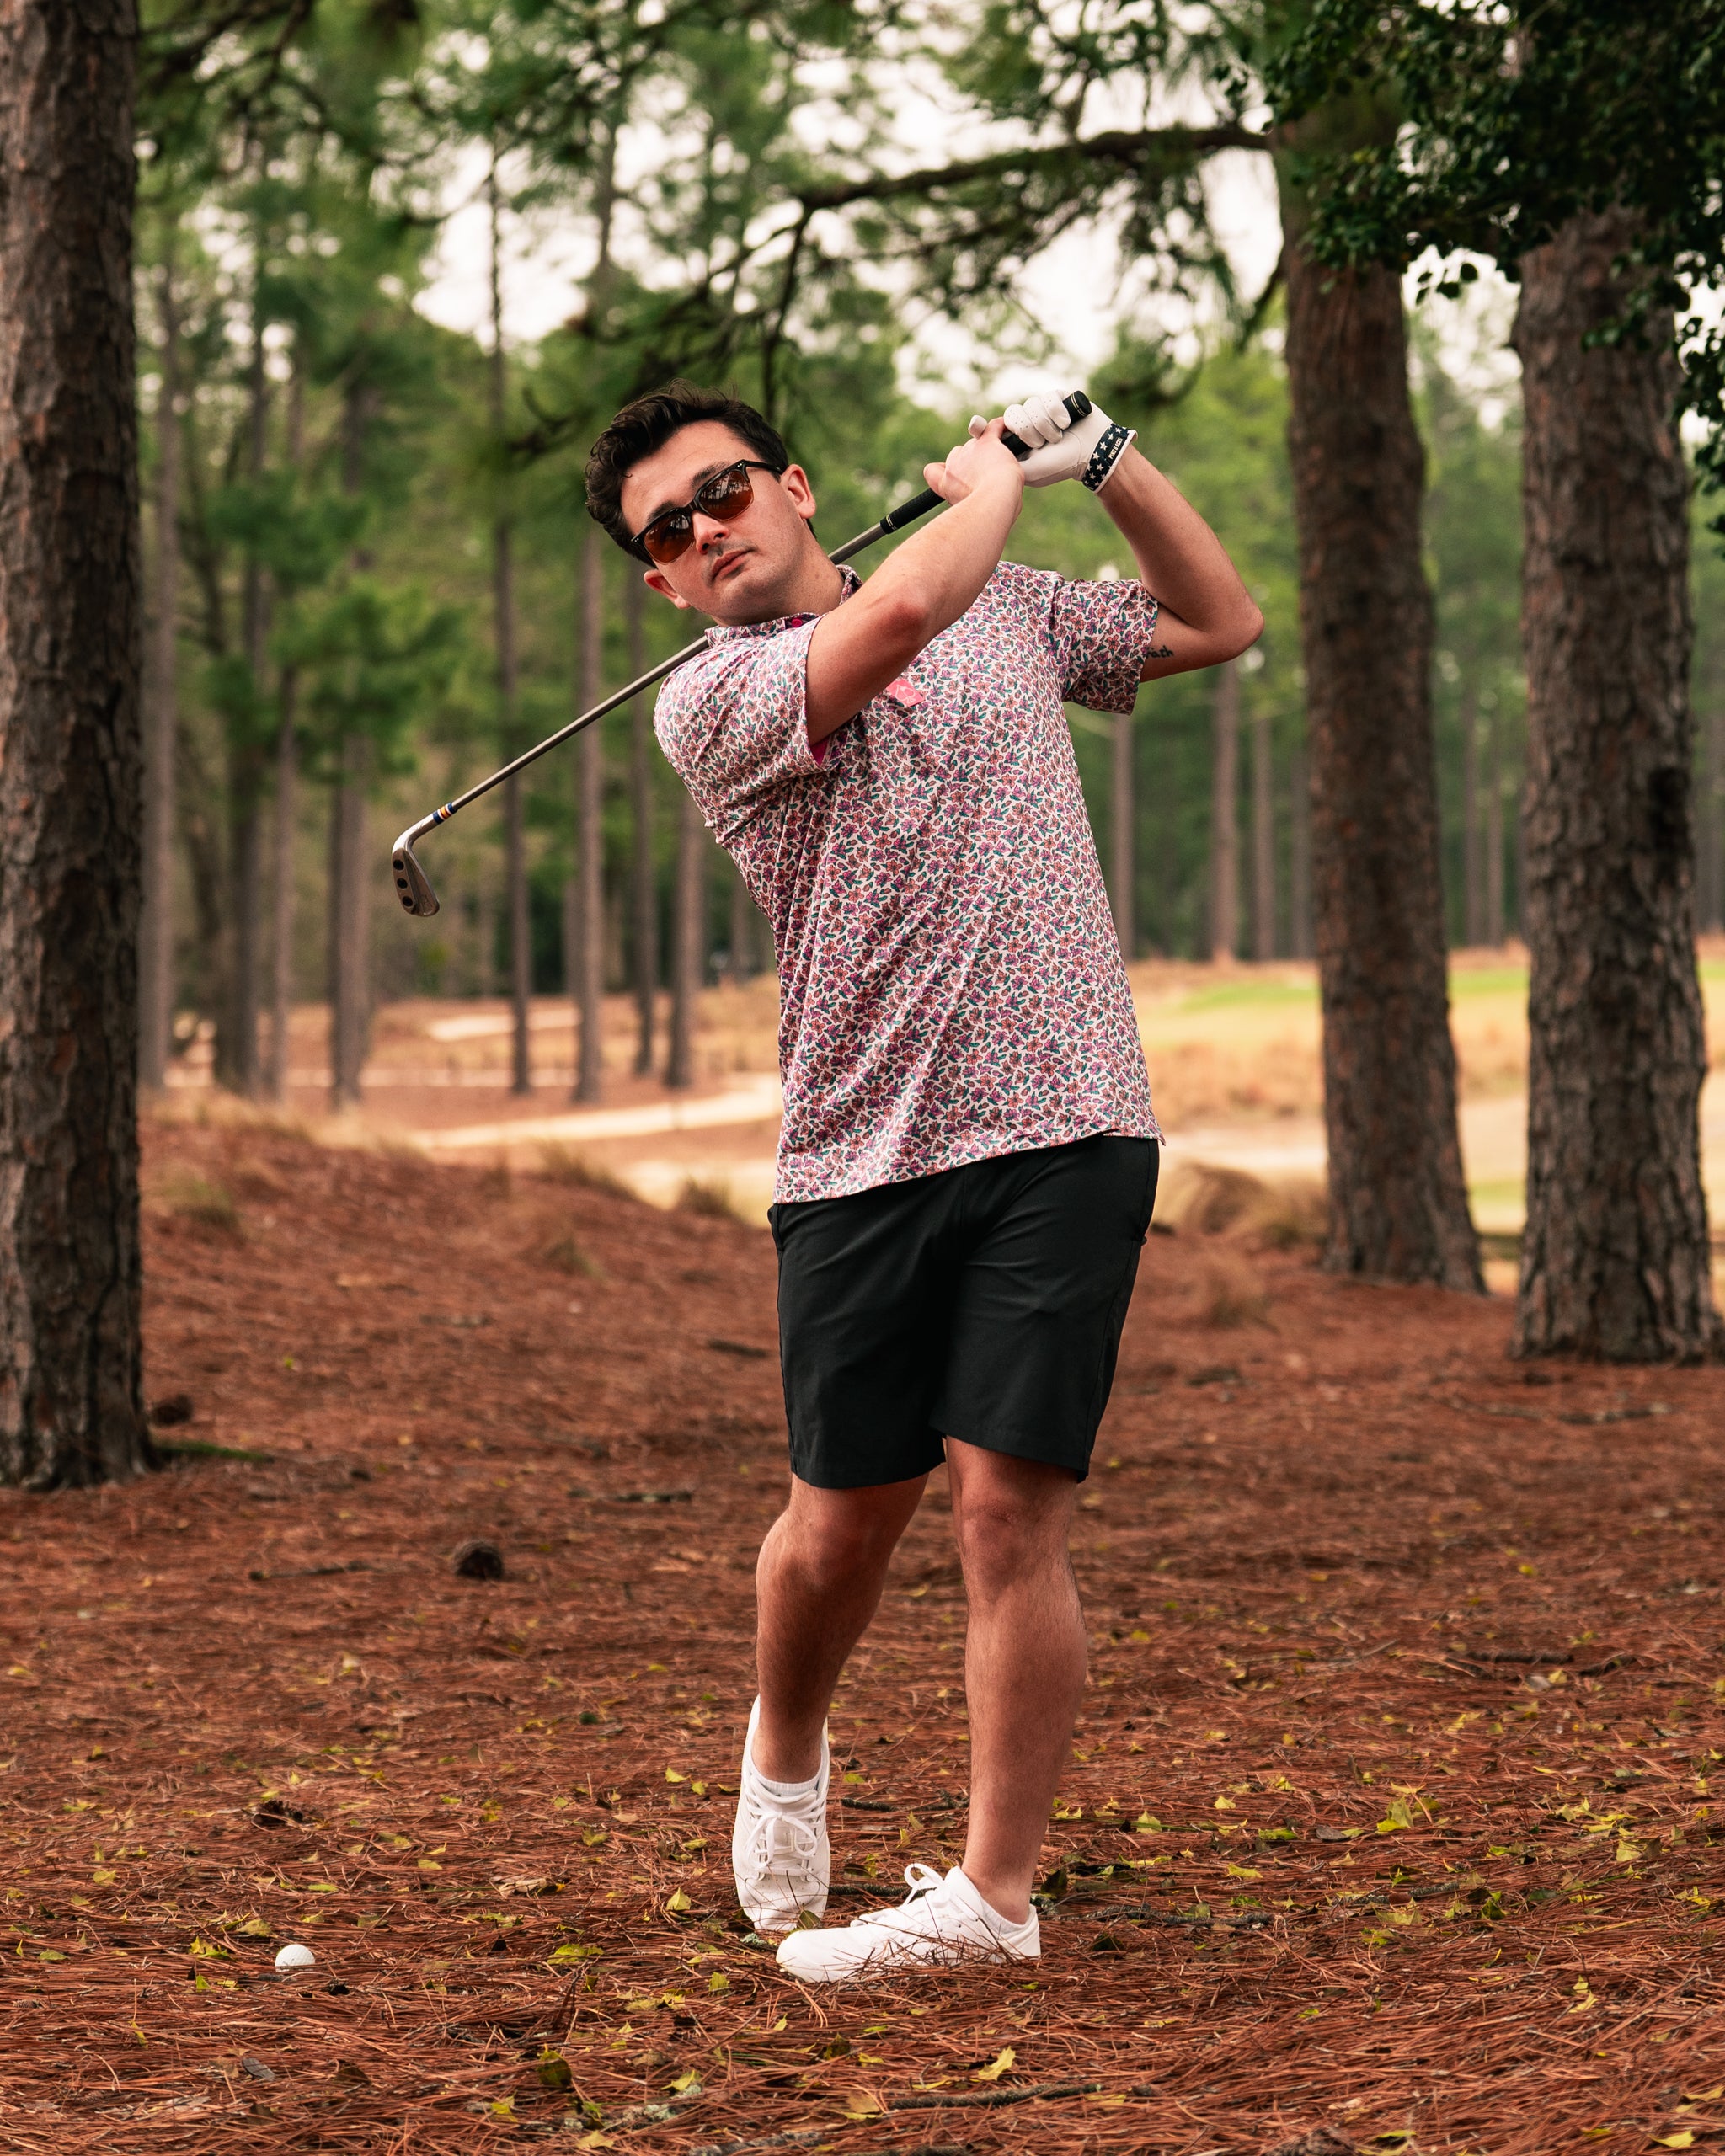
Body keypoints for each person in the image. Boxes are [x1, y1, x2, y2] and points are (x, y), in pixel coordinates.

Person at [584, 383, 1262, 1981]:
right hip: (859, 1154)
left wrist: (1102, 461)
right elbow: (895, 619)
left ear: (795, 486)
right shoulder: (714, 697)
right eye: (669, 531)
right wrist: (993, 486)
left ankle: (991, 1902)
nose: (707, 530)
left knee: (1006, 1511)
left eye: (724, 490)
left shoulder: (1009, 605)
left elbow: (1219, 621)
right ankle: (785, 1750)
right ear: (663, 583)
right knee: (840, 1525)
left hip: (1067, 1121)